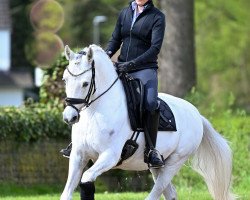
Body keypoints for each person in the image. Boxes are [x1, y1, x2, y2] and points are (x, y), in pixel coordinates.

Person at [61, 0, 166, 169]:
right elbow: (115, 39)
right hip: (121, 65)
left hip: (145, 69)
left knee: (150, 103)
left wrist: (132, 64)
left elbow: (155, 48)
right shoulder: (125, 13)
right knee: (92, 92)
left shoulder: (157, 17)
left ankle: (151, 150)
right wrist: (106, 55)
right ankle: (78, 143)